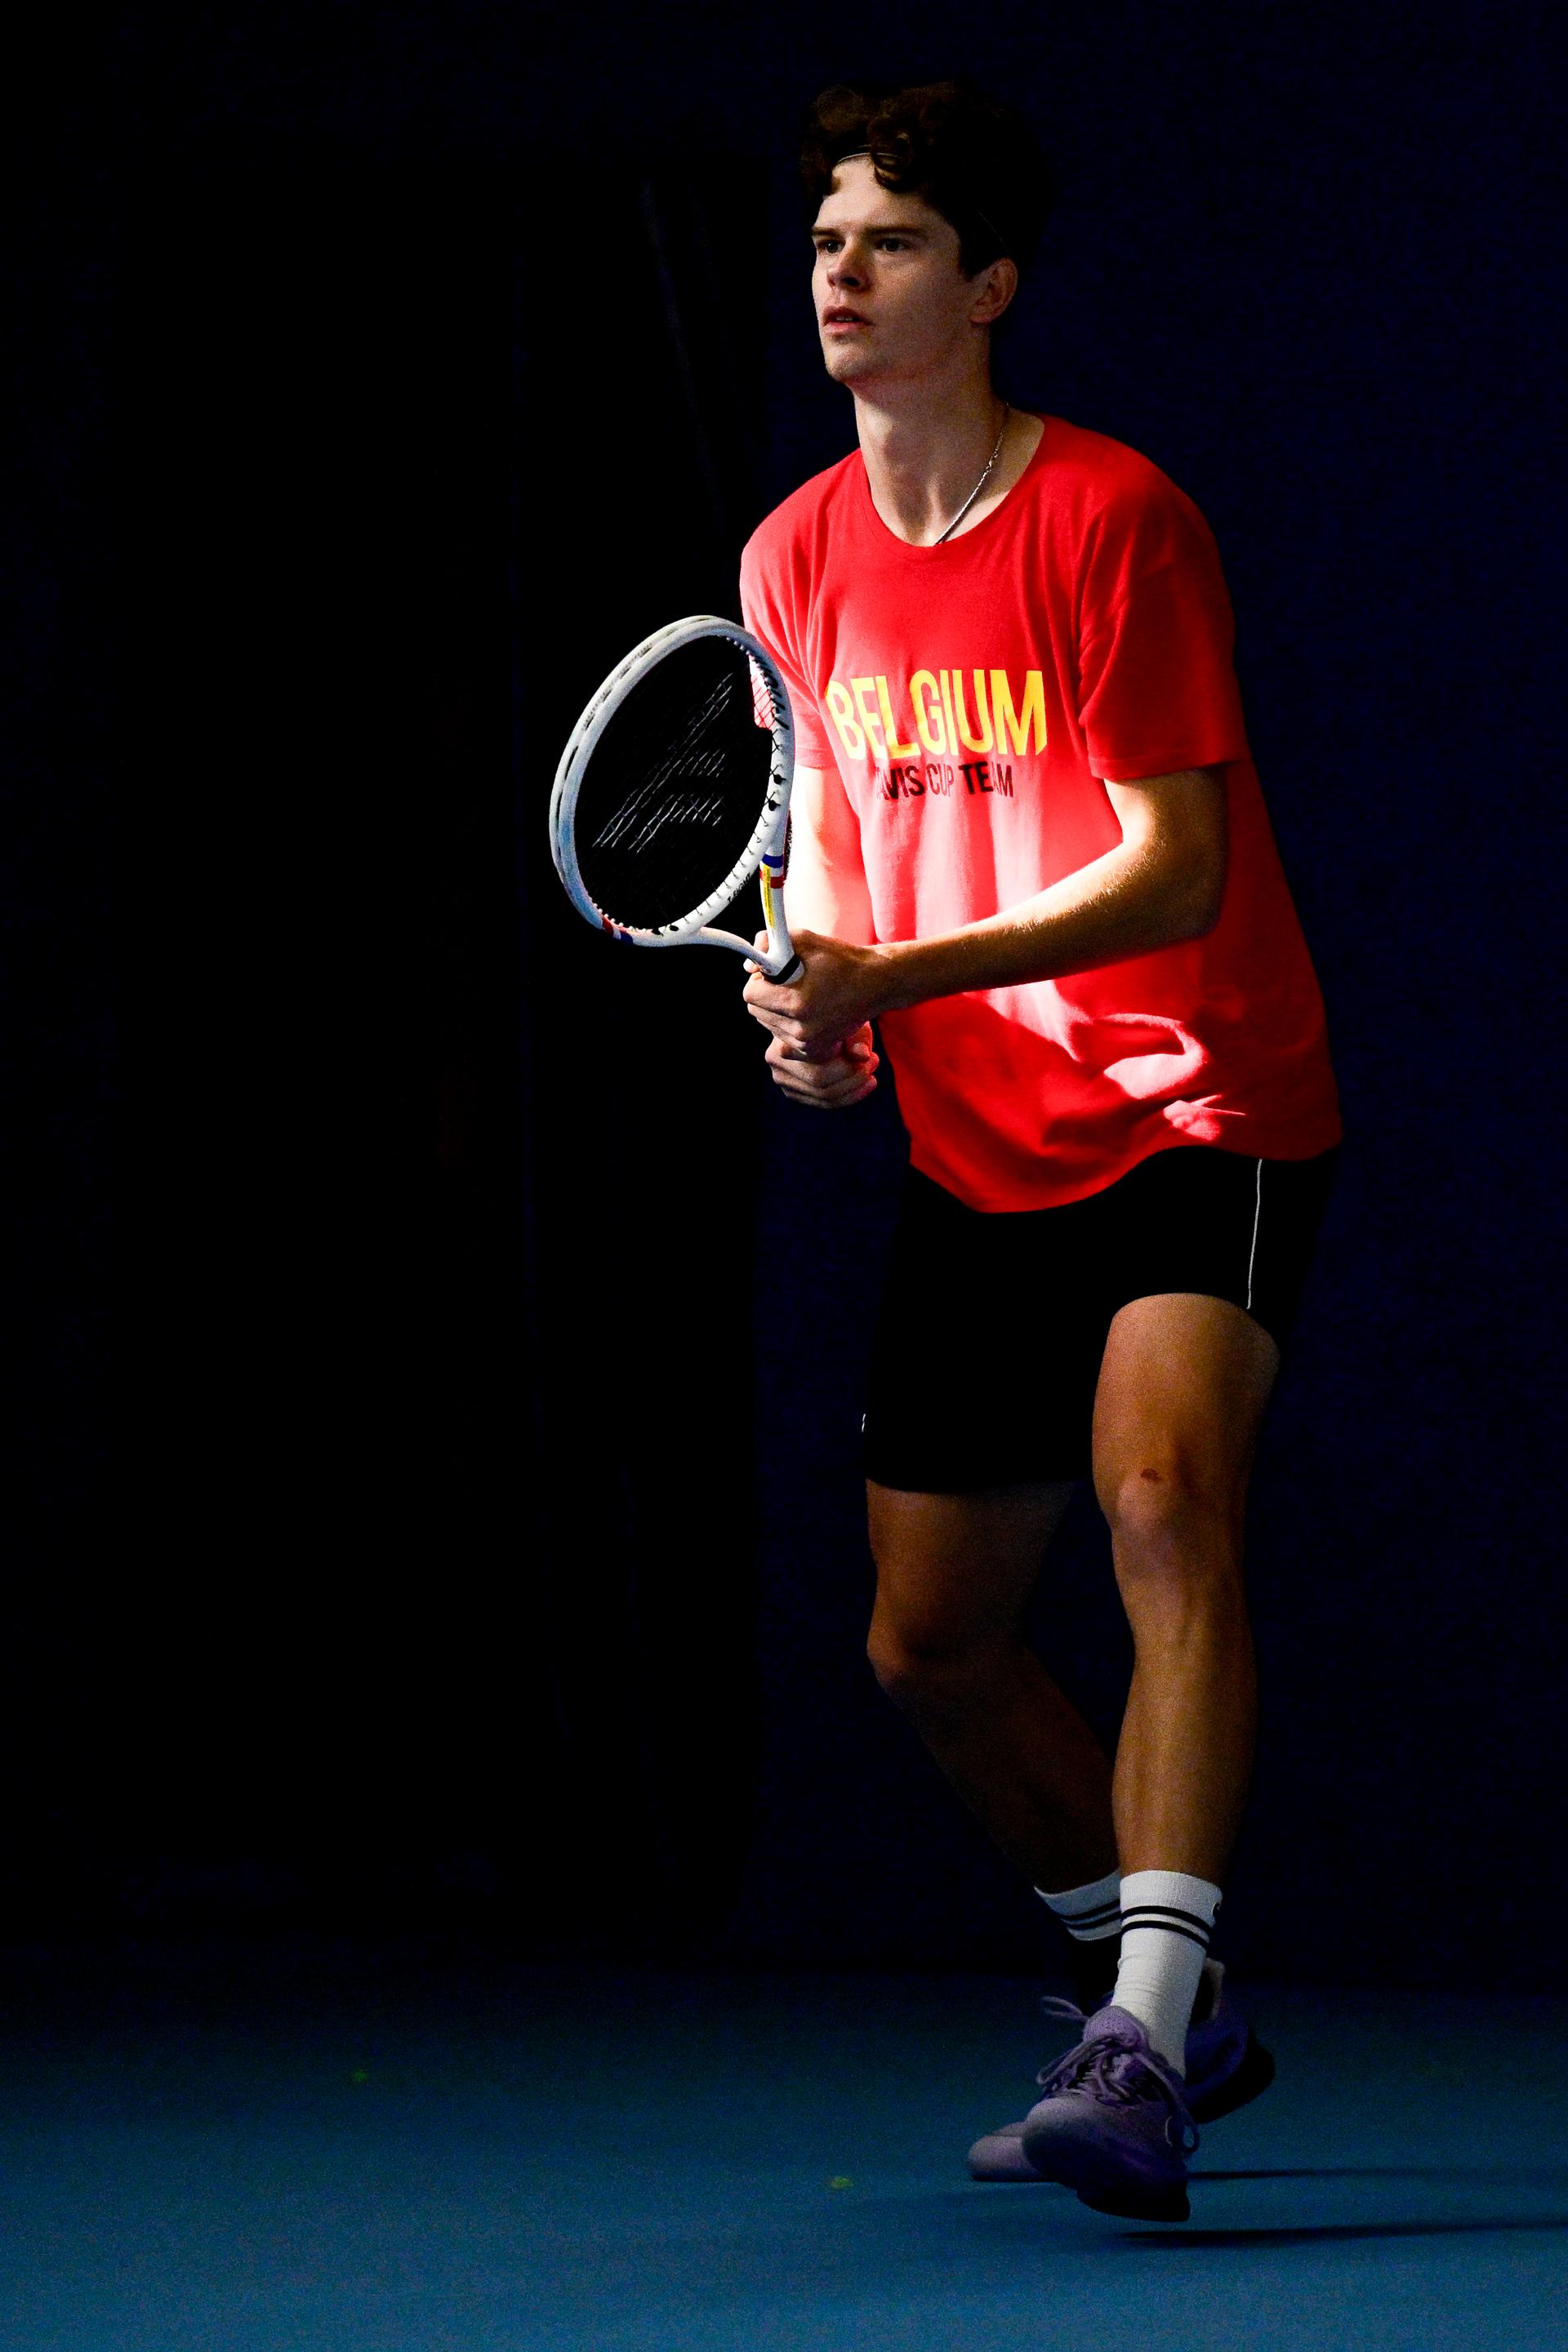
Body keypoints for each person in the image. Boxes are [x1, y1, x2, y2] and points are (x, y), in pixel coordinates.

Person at [737, 78, 1343, 2225]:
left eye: (889, 240)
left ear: (984, 289)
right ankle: (1173, 1994)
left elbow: (1174, 873)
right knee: (931, 1645)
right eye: (827, 235)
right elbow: (833, 866)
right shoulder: (792, 558)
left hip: (1197, 1098)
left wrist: (896, 972)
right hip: (975, 1142)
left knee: (1163, 1495)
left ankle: (1144, 2044)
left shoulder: (1114, 519)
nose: (841, 269)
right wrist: (821, 1008)